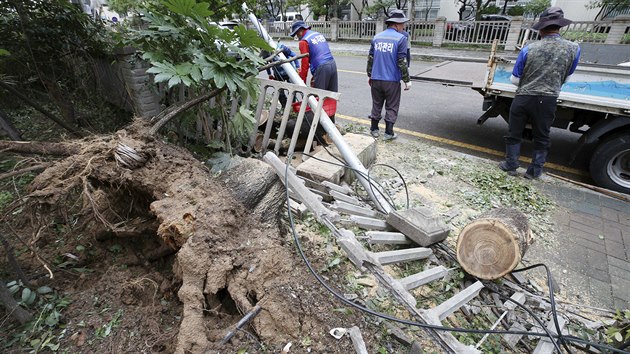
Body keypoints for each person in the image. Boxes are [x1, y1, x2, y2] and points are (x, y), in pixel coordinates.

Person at [499, 6, 580, 179]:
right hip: (548, 99)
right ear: (559, 27)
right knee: (542, 136)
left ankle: (511, 164)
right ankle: (534, 171)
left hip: (524, 97)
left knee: (514, 133)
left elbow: (515, 79)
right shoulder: (574, 49)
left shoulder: (529, 48)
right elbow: (567, 77)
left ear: (541, 28)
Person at [289, 20, 338, 144]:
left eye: (296, 34)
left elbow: (305, 63)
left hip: (321, 67)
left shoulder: (304, 41)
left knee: (318, 101)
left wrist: (302, 82)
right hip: (332, 64)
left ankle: (320, 134)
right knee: (330, 97)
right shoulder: (317, 34)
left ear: (300, 31)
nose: (296, 37)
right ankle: (332, 130)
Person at [367, 9, 412, 141]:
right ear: (397, 24)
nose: (403, 26)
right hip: (391, 80)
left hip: (376, 78)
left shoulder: (376, 37)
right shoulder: (401, 39)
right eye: (403, 24)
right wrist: (407, 80)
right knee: (392, 106)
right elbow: (402, 61)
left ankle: (374, 129)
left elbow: (370, 58)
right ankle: (388, 133)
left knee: (376, 103)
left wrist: (369, 75)